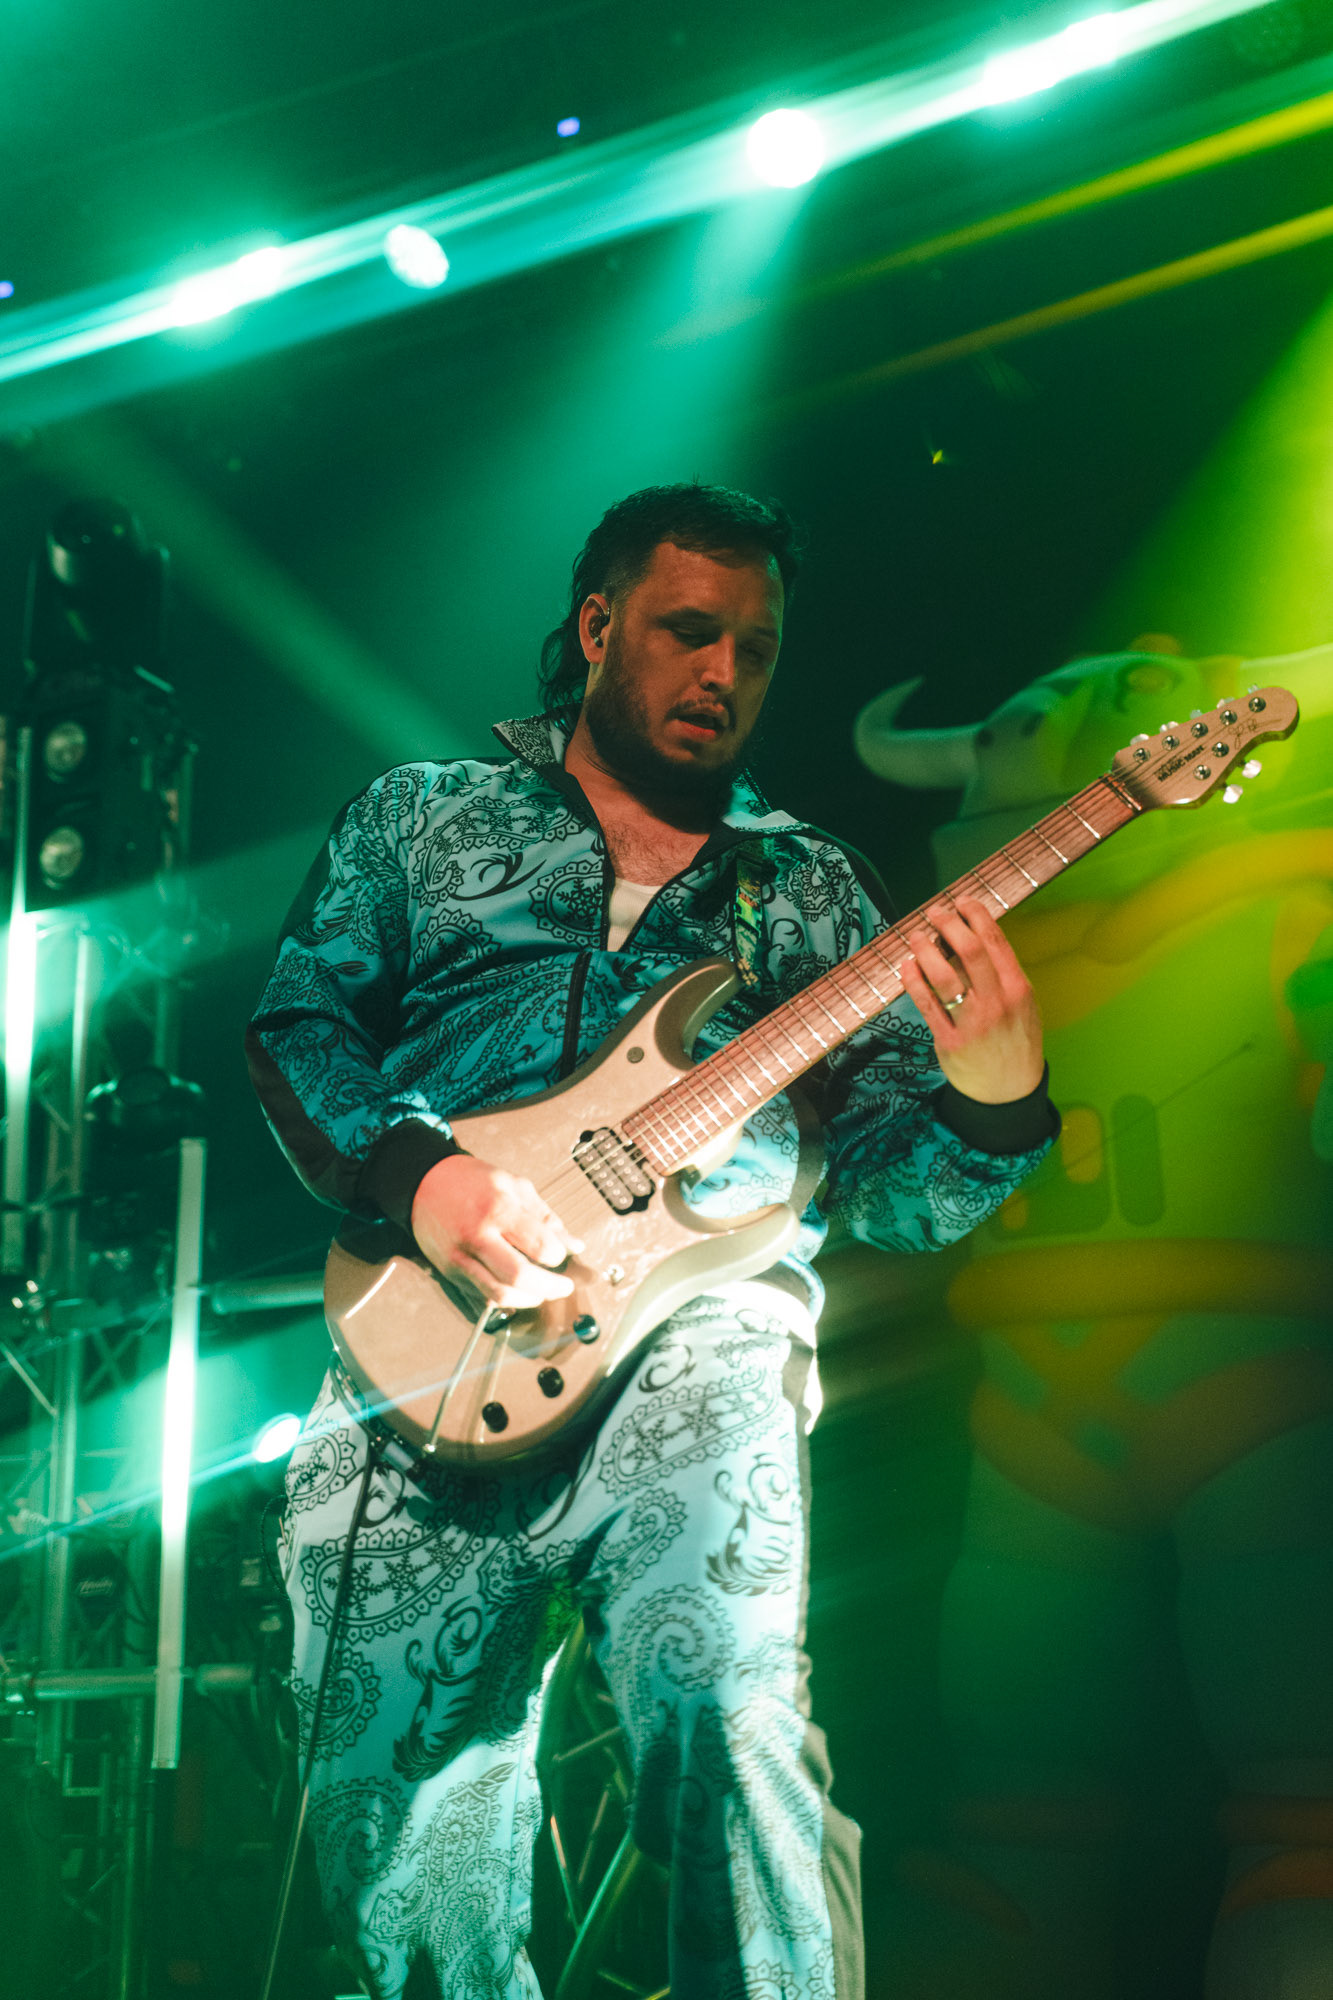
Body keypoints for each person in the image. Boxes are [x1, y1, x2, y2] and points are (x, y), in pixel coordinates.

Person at [246, 482, 1058, 2000]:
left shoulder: (810, 888)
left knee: (724, 1708)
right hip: (425, 1333)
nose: (723, 672)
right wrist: (425, 1182)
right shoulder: (423, 817)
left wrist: (994, 1104)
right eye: (689, 631)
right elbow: (301, 1029)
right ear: (596, 625)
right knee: (396, 1831)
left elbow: (897, 1191)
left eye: (756, 647)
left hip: (706, 1331)